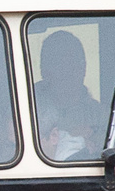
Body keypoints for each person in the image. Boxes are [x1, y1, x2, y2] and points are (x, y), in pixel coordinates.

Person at [33, 31, 107, 160]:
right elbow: (7, 151)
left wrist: (94, 140)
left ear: (84, 68)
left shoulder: (102, 115)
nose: (68, 71)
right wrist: (69, 136)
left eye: (73, 62)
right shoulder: (23, 107)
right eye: (60, 63)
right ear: (44, 70)